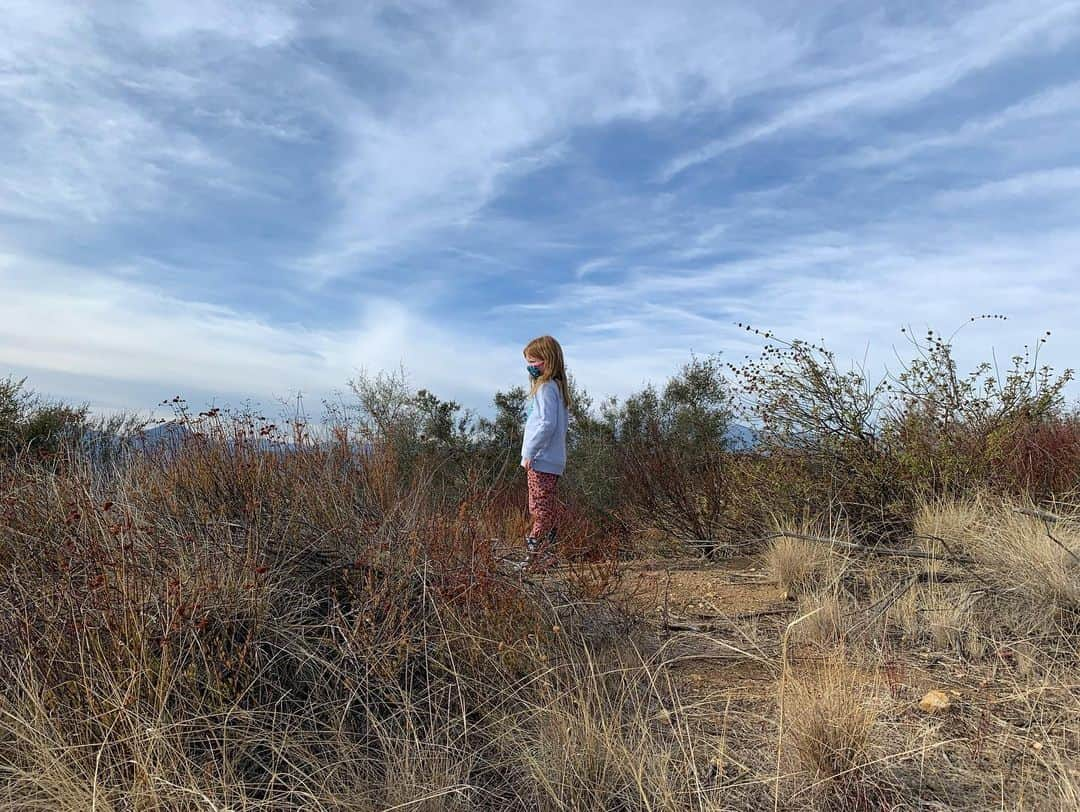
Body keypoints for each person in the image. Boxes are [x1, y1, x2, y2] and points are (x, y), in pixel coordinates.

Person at [520, 335, 570, 568]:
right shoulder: (556, 389)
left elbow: (546, 425)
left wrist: (530, 452)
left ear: (547, 360)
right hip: (549, 460)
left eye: (533, 361)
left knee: (539, 510)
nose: (530, 367)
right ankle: (548, 554)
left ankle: (534, 557)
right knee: (545, 508)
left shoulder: (547, 388)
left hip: (541, 460)